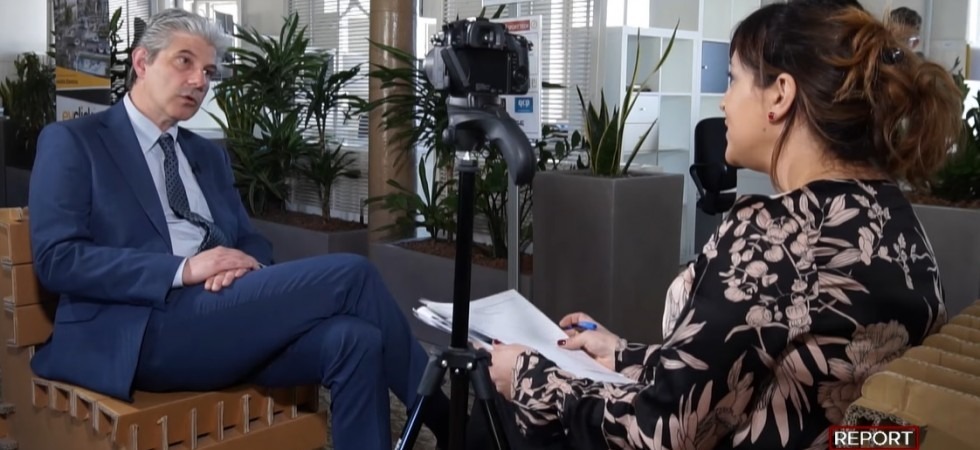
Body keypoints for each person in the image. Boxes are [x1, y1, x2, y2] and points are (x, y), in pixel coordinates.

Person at [488, 3, 961, 449]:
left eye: (733, 79)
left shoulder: (775, 234)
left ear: (780, 95)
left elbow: (663, 432)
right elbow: (764, 377)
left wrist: (532, 377)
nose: (724, 103)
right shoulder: (897, 221)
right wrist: (623, 354)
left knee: (498, 410)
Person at [27, 8, 448, 450]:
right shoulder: (74, 141)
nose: (199, 81)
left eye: (208, 71)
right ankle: (452, 423)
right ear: (142, 62)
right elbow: (58, 260)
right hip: (142, 329)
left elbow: (248, 239)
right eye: (184, 62)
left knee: (356, 340)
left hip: (226, 312)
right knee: (353, 274)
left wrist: (244, 267)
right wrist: (184, 269)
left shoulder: (206, 154)